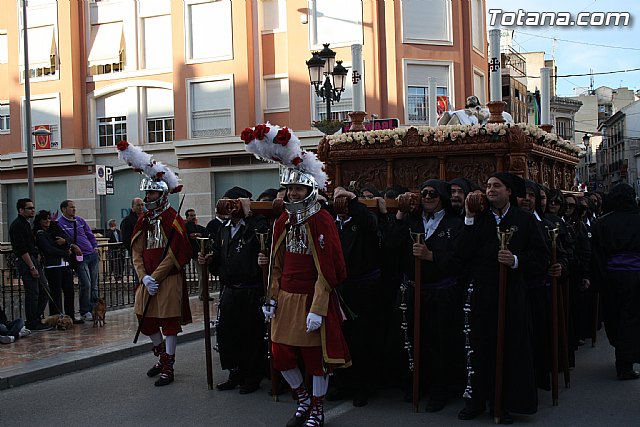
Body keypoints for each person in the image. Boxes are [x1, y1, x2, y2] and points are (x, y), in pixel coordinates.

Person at [246, 123, 350, 427]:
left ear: (310, 190)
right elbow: (275, 265)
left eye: (298, 188)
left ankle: (317, 407)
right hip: (286, 298)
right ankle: (303, 398)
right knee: (280, 354)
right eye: (289, 188)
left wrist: (319, 308)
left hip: (313, 298)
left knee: (316, 359)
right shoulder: (281, 221)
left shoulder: (323, 219)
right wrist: (271, 298)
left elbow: (329, 268)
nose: (292, 192)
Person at [455, 172, 549, 424]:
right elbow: (462, 254)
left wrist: (516, 260)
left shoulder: (525, 220)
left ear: (509, 191)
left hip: (512, 293)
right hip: (482, 293)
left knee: (510, 348)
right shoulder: (478, 217)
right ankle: (476, 400)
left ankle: (504, 402)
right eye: (488, 185)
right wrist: (468, 219)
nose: (491, 189)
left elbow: (541, 257)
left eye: (497, 186)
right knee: (478, 347)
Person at [117, 138, 193, 387]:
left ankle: (169, 365)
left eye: (152, 192)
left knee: (169, 322)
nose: (148, 196)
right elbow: (136, 250)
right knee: (144, 318)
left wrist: (156, 277)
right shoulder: (143, 219)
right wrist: (143, 277)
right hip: (146, 280)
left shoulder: (172, 218)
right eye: (146, 192)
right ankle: (161, 355)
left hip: (167, 279)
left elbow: (175, 254)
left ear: (162, 193)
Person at [388, 179, 465, 411]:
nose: (428, 197)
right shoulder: (412, 221)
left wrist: (432, 256)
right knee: (413, 339)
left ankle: (439, 390)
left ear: (441, 198)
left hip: (441, 292)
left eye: (433, 194)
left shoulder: (454, 224)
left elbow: (459, 259)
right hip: (415, 290)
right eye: (424, 193)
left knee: (439, 343)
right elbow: (391, 245)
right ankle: (416, 383)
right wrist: (400, 216)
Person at [198, 186, 267, 394]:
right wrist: (208, 259)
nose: (231, 207)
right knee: (227, 333)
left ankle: (252, 376)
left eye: (234, 202)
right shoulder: (224, 228)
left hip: (251, 289)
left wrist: (249, 214)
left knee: (250, 334)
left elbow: (263, 238)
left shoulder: (257, 223)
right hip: (229, 289)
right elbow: (218, 255)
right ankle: (234, 372)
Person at [327, 186, 381, 407]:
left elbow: (369, 222)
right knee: (339, 339)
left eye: (344, 201)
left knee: (360, 341)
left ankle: (362, 387)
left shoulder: (363, 220)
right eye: (336, 201)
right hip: (337, 289)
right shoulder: (331, 223)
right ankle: (341, 383)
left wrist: (354, 201)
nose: (340, 205)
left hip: (361, 290)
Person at [590, 184, 640, 380]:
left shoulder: (602, 223)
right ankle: (625, 362)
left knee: (615, 317)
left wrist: (601, 278)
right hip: (636, 276)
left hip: (611, 277)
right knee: (632, 318)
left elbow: (597, 255)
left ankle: (623, 359)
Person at [8, 198, 53, 332]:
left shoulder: (27, 224)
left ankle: (37, 317)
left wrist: (37, 257)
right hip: (26, 261)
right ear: (21, 210)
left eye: (33, 207)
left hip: (33, 259)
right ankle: (32, 322)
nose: (32, 210)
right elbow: (21, 249)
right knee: (33, 293)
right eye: (29, 208)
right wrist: (31, 266)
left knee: (44, 290)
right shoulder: (17, 225)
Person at [33, 210, 82, 324]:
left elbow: (68, 239)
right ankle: (56, 318)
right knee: (56, 293)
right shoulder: (40, 234)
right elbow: (48, 249)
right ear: (40, 221)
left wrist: (64, 241)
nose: (47, 221)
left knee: (69, 291)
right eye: (45, 219)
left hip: (64, 264)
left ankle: (70, 316)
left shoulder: (55, 229)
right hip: (52, 265)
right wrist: (64, 252)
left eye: (49, 219)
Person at [57, 199, 99, 321]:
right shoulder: (60, 223)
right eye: (71, 207)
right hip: (80, 258)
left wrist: (94, 246)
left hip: (91, 254)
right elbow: (63, 240)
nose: (74, 209)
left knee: (94, 285)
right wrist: (72, 246)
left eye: (74, 207)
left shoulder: (80, 220)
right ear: (64, 209)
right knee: (86, 284)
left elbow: (89, 234)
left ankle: (93, 308)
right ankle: (84, 310)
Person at [121, 198, 145, 282]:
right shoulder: (127, 221)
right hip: (136, 253)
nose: (141, 207)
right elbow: (126, 238)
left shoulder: (146, 218)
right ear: (133, 207)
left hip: (147, 251)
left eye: (142, 205)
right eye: (138, 205)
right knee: (139, 276)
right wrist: (133, 250)